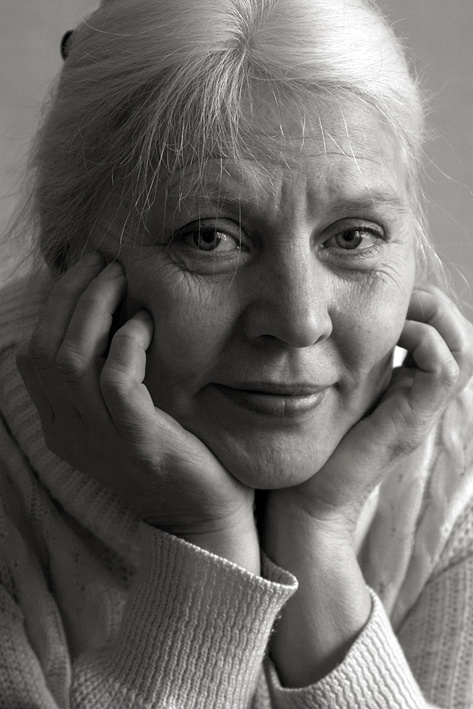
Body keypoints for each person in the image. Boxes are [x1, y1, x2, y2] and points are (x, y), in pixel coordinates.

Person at [1, 0, 473, 706]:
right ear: (67, 255)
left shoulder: (454, 461)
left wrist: (318, 537)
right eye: (211, 237)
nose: (299, 321)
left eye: (352, 236)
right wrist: (204, 541)